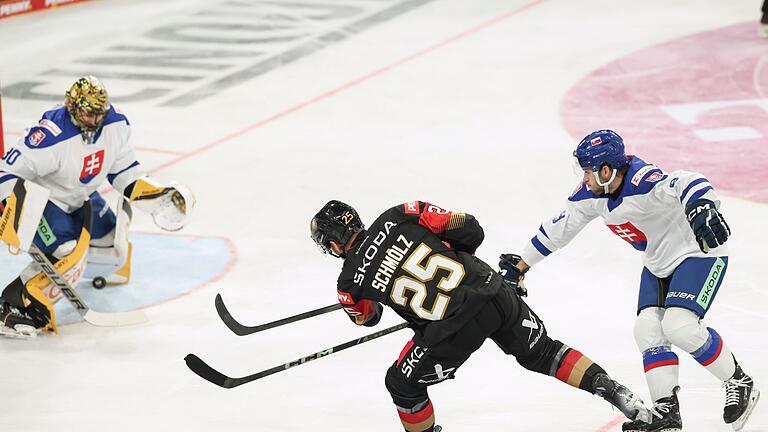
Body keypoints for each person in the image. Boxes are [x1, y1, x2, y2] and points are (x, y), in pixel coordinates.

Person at [310, 199, 651, 432]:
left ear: (334, 245)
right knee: (543, 351)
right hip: (489, 288)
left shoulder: (348, 283)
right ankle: (614, 391)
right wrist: (459, 260)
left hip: (450, 331)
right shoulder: (400, 213)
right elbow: (469, 228)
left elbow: (367, 318)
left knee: (401, 385)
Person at [505, 130, 760, 431]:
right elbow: (561, 228)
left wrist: (701, 205)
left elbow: (688, 180)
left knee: (679, 326)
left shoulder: (643, 181)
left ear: (606, 170)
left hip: (699, 254)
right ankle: (667, 414)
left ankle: (739, 382)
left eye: (588, 171)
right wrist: (521, 265)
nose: (584, 179)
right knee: (647, 331)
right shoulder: (593, 195)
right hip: (657, 263)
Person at [0, 75, 194, 338]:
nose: (94, 120)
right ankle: (14, 304)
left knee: (114, 250)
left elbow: (126, 173)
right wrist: (9, 206)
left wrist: (159, 195)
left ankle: (75, 271)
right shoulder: (50, 136)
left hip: (82, 197)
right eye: (87, 113)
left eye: (98, 113)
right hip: (46, 201)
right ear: (72, 106)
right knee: (68, 254)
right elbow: (6, 171)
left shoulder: (116, 125)